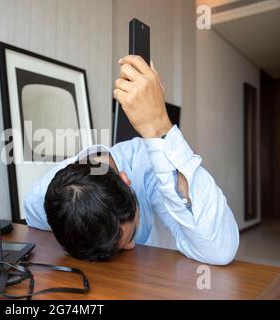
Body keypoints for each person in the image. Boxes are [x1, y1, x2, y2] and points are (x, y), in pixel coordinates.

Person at [24, 55, 239, 265]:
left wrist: (159, 125)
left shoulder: (150, 168)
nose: (131, 247)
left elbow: (219, 249)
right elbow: (32, 215)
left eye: (131, 235)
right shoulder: (46, 198)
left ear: (128, 182)